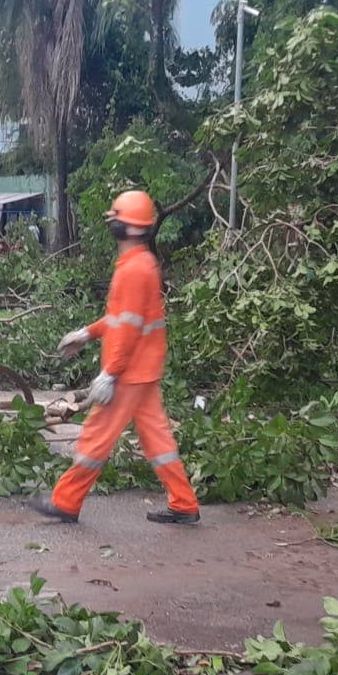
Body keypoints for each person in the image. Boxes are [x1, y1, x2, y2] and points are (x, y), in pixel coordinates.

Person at [33, 190, 201, 526]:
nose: (112, 222)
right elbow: (122, 318)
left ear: (130, 227)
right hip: (143, 368)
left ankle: (66, 501)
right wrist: (88, 333)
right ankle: (184, 503)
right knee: (158, 439)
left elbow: (128, 329)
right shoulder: (137, 264)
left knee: (96, 436)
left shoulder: (135, 269)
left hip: (129, 372)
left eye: (117, 217)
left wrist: (110, 373)